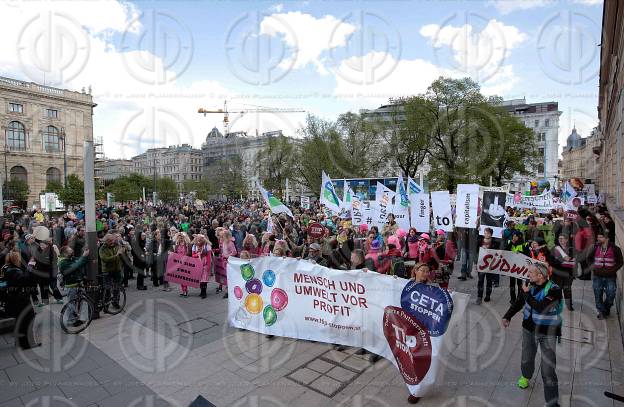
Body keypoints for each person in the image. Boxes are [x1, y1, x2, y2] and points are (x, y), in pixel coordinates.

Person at [502, 262, 562, 407]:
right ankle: (526, 376)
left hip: (548, 333)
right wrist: (507, 316)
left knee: (548, 369)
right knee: (526, 358)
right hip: (528, 330)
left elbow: (542, 308)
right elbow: (519, 302)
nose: (527, 274)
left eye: (530, 272)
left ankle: (552, 402)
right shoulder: (528, 285)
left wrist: (527, 294)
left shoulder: (554, 290)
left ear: (540, 275)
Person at [1, 249, 39, 349]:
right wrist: (30, 266)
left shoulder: (6, 268)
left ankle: (20, 342)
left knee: (20, 321)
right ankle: (27, 343)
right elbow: (25, 279)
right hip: (20, 300)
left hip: (14, 299)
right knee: (27, 320)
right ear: (15, 259)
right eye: (19, 258)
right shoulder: (13, 271)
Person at [591, 230, 623, 319]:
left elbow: (620, 262)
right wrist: (593, 268)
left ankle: (605, 309)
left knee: (611, 294)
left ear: (607, 239)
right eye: (598, 237)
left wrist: (613, 270)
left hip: (610, 276)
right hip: (597, 276)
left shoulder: (615, 248)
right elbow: (588, 259)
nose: (598, 239)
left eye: (601, 237)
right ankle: (601, 312)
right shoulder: (594, 247)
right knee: (598, 295)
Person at [58, 246, 90, 326]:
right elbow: (76, 266)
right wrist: (83, 256)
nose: (72, 250)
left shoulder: (71, 258)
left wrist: (84, 256)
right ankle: (70, 320)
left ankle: (79, 319)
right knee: (72, 304)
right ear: (65, 253)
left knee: (81, 302)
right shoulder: (63, 263)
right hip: (71, 286)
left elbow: (80, 261)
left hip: (79, 284)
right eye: (70, 250)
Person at [98, 233, 124, 312]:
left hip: (117, 269)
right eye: (110, 241)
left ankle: (115, 302)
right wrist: (116, 256)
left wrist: (122, 252)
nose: (112, 242)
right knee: (107, 289)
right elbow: (105, 259)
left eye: (113, 240)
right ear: (106, 241)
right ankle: (106, 306)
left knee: (117, 287)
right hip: (107, 271)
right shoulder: (102, 249)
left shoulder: (117, 245)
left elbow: (121, 255)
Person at [551, 234, 575, 311]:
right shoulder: (554, 249)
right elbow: (551, 260)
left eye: (562, 238)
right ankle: (557, 305)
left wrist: (559, 260)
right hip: (557, 273)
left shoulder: (571, 249)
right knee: (557, 290)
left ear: (567, 240)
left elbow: (570, 259)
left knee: (567, 289)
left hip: (568, 273)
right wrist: (560, 261)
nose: (560, 240)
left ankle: (569, 305)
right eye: (559, 238)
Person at [506, 231, 529, 304]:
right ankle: (512, 298)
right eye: (513, 236)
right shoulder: (509, 242)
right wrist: (511, 243)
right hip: (511, 267)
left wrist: (520, 253)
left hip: (520, 267)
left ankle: (519, 298)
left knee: (519, 283)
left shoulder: (524, 244)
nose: (514, 237)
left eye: (516, 236)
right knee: (512, 283)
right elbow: (505, 251)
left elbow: (527, 255)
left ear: (519, 237)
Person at [475, 237, 495, 304]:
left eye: (488, 233)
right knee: (480, 281)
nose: (486, 234)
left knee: (489, 281)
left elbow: (498, 252)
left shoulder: (494, 242)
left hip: (490, 265)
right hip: (481, 264)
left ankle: (488, 295)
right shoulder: (480, 240)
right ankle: (479, 297)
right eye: (485, 232)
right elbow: (475, 249)